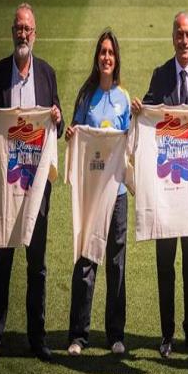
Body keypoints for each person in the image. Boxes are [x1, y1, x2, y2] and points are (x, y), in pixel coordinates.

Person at [0, 2, 64, 369]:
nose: (22, 34)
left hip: (37, 188)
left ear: (35, 34)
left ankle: (37, 338)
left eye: (27, 28)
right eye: (18, 28)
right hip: (7, 187)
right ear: (12, 32)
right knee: (2, 261)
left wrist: (56, 117)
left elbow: (58, 125)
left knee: (37, 265)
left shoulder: (47, 74)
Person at [131, 11, 188, 358]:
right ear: (172, 37)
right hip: (166, 191)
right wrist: (139, 109)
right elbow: (148, 117)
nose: (184, 41)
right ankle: (167, 335)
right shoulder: (160, 75)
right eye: (179, 34)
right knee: (165, 265)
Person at [65, 29, 130, 356]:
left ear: (116, 59)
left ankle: (115, 334)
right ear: (97, 57)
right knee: (87, 258)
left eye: (111, 52)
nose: (106, 57)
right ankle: (79, 335)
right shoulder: (85, 96)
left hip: (117, 193)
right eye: (102, 52)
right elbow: (75, 134)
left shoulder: (124, 98)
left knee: (116, 263)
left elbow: (131, 141)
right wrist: (71, 134)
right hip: (92, 191)